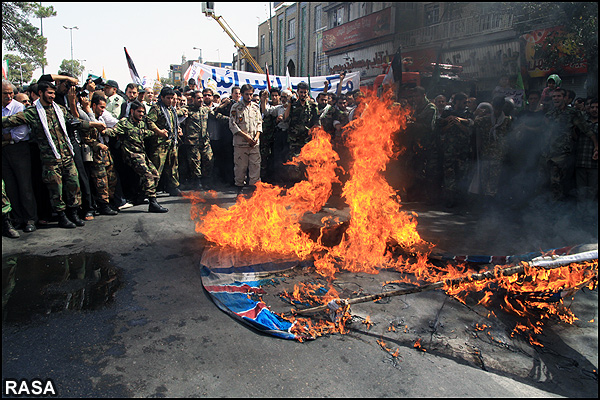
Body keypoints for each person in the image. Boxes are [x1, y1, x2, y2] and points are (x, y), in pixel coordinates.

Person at [2, 80, 106, 228]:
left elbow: (74, 122)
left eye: (53, 93)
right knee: (55, 190)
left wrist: (93, 124)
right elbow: (10, 121)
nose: (52, 96)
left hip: (67, 156)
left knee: (73, 185)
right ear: (40, 93)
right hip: (50, 159)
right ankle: (62, 217)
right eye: (49, 93)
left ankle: (74, 214)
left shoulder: (60, 110)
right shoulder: (32, 113)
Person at [105, 100, 168, 213]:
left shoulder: (141, 123)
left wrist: (159, 133)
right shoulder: (124, 123)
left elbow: (145, 133)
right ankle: (153, 203)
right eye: (139, 111)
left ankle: (141, 196)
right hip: (131, 154)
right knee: (148, 175)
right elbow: (113, 132)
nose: (141, 114)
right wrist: (103, 131)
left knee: (155, 174)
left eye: (143, 112)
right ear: (132, 111)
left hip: (141, 154)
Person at [544, 88, 597, 201]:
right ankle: (554, 207)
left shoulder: (572, 113)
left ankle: (561, 208)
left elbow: (586, 130)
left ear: (564, 98)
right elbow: (546, 133)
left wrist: (596, 145)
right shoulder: (550, 114)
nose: (556, 99)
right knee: (549, 182)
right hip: (549, 154)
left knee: (559, 182)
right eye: (554, 96)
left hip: (564, 155)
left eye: (558, 96)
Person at [2, 80, 37, 233]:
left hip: (19, 150)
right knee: (10, 187)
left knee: (25, 186)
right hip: (4, 153)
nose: (9, 96)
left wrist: (6, 138)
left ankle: (30, 219)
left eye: (11, 93)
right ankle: (17, 218)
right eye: (5, 93)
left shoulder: (18, 107)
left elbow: (21, 133)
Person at [81, 93, 119, 216]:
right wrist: (98, 145)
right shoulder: (87, 118)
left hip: (105, 153)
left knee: (111, 178)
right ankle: (103, 205)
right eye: (101, 107)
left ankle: (110, 201)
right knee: (101, 180)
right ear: (94, 105)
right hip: (96, 154)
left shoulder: (101, 119)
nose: (103, 110)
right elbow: (86, 138)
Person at [470, 96, 512, 203]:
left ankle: (491, 204)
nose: (496, 110)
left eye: (499, 107)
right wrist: (476, 114)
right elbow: (472, 123)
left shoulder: (507, 121)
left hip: (498, 156)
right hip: (485, 155)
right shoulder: (485, 120)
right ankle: (484, 204)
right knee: (484, 181)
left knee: (494, 182)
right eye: (495, 107)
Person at [435, 92, 474, 207]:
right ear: (456, 102)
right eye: (463, 102)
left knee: (462, 176)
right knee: (449, 176)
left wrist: (459, 123)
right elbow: (440, 130)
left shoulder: (468, 114)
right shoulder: (447, 113)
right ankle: (449, 201)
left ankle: (461, 202)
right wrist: (449, 124)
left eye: (466, 102)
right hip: (449, 151)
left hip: (463, 152)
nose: (465, 104)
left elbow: (470, 131)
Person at [147, 86, 182, 197]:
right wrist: (159, 131)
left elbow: (174, 123)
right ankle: (150, 191)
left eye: (172, 98)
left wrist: (178, 130)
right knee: (157, 168)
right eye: (168, 98)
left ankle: (173, 187)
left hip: (171, 142)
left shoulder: (171, 110)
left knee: (173, 167)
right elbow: (149, 121)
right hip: (160, 144)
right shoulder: (156, 108)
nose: (170, 100)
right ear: (162, 97)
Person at [229, 84, 262, 193]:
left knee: (255, 168)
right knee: (240, 168)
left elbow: (259, 124)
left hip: (254, 145)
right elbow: (233, 125)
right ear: (242, 94)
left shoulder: (255, 107)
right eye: (246, 94)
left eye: (251, 94)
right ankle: (239, 192)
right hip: (241, 144)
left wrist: (256, 137)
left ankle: (253, 193)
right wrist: (246, 137)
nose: (249, 97)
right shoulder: (236, 107)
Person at [183, 90, 213, 190]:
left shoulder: (205, 109)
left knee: (208, 159)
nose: (201, 100)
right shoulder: (187, 109)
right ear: (193, 99)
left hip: (205, 141)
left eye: (201, 98)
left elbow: (216, 115)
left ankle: (206, 181)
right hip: (192, 141)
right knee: (195, 163)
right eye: (198, 98)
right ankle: (197, 182)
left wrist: (230, 119)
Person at [573, 98, 598, 221]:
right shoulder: (583, 122)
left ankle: (591, 218)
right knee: (581, 192)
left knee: (592, 192)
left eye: (597, 107)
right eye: (592, 107)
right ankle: (580, 218)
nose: (594, 110)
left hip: (595, 165)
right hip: (581, 161)